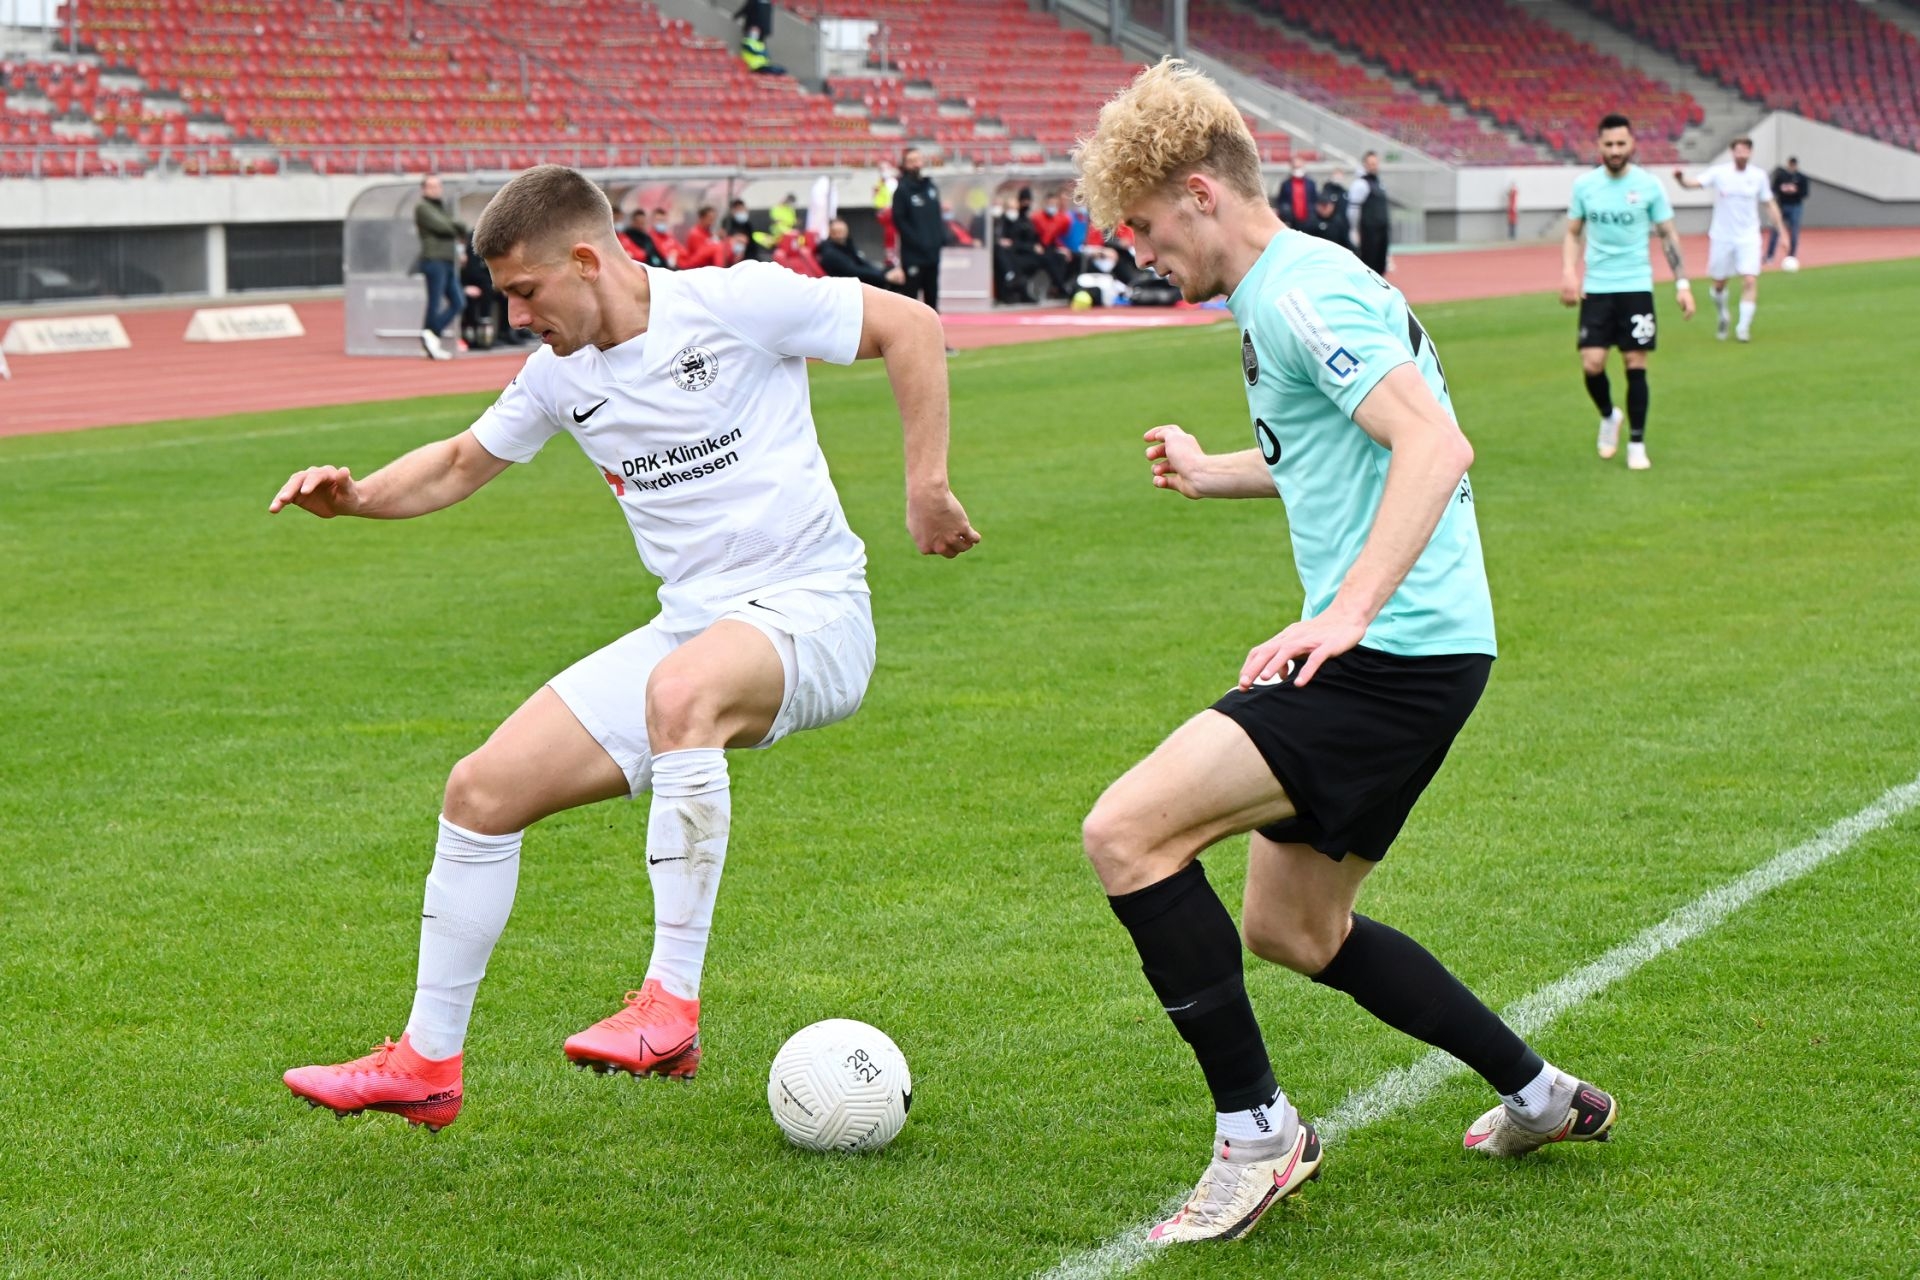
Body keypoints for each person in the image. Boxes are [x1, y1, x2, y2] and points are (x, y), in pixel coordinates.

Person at [272, 164, 979, 1131]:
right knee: (479, 792)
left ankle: (670, 1004)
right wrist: (351, 499)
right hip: (693, 626)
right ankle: (425, 1063)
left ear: (587, 259)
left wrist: (925, 486)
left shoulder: (736, 301)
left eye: (525, 291)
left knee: (681, 690)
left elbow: (913, 325)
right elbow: (456, 464)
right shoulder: (559, 376)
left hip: (814, 613)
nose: (517, 314)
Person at [1071, 59, 1619, 1245]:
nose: (1143, 252)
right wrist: (1221, 466)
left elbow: (1434, 445)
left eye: (1150, 227)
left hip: (1394, 652)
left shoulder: (1295, 294)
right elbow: (1345, 445)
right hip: (1427, 650)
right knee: (1295, 928)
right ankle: (1540, 1095)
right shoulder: (1290, 288)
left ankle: (1257, 1132)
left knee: (1127, 829)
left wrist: (1351, 608)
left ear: (1204, 192)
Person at [1563, 113, 1695, 471]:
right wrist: (1569, 274)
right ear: (1599, 146)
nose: (1616, 150)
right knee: (1592, 364)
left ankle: (1637, 443)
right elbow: (1573, 232)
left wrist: (1682, 283)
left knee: (1635, 364)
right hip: (1598, 288)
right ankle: (1609, 415)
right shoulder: (1585, 186)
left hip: (1636, 287)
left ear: (1632, 144)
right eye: (1609, 144)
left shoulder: (1649, 186)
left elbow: (1668, 234)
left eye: (1621, 144)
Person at [1674, 139, 1785, 343]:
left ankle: (1743, 327)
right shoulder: (1720, 173)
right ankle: (1723, 315)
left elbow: (1769, 204)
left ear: (1750, 152)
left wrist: (1782, 233)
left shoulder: (1758, 176)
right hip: (1722, 236)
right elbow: (1694, 184)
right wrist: (1681, 180)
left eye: (1745, 150)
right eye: (1738, 150)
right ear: (1732, 152)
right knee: (1718, 283)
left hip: (1749, 236)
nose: (1741, 154)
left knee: (1750, 279)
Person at [414, 174, 467, 360]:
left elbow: (451, 225)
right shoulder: (423, 207)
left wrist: (454, 226)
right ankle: (430, 338)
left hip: (447, 260)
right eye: (431, 186)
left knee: (458, 301)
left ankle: (431, 333)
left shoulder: (441, 207)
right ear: (424, 189)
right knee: (435, 301)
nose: (436, 190)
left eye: (438, 186)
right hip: (433, 259)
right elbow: (444, 227)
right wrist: (456, 227)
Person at [891, 147, 944, 311]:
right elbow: (899, 221)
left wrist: (938, 240)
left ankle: (933, 335)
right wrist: (918, 242)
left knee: (932, 299)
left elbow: (937, 218)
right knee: (911, 302)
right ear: (904, 165)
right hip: (913, 256)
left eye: (918, 160)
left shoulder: (931, 188)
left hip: (932, 254)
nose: (915, 165)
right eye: (911, 161)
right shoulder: (902, 191)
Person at [818, 217, 905, 289]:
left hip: (859, 282)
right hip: (851, 286)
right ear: (831, 233)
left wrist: (883, 273)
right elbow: (853, 271)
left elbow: (861, 262)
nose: (841, 235)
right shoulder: (830, 253)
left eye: (842, 231)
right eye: (837, 232)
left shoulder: (846, 245)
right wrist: (884, 277)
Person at [1346, 151, 1391, 276]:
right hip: (1368, 233)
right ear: (1365, 164)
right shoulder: (1360, 184)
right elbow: (1353, 210)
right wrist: (1354, 230)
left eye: (1375, 163)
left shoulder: (1378, 182)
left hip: (1381, 232)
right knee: (1369, 267)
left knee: (1380, 266)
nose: (1374, 166)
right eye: (1371, 163)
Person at [1767, 156, 1809, 264]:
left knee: (1794, 231)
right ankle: (1770, 256)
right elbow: (1774, 189)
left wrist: (1795, 190)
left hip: (1795, 206)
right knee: (1775, 231)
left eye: (1793, 165)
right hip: (1781, 205)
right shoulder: (1781, 176)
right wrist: (1784, 189)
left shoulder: (1801, 177)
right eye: (1790, 165)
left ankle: (1791, 256)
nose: (1792, 167)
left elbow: (1805, 193)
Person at [1272, 163, 1316, 229]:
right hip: (1291, 219)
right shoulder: (1286, 184)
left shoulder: (1311, 183)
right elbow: (1281, 200)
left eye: (1299, 167)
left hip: (1308, 218)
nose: (1298, 170)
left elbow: (1314, 199)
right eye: (1296, 167)